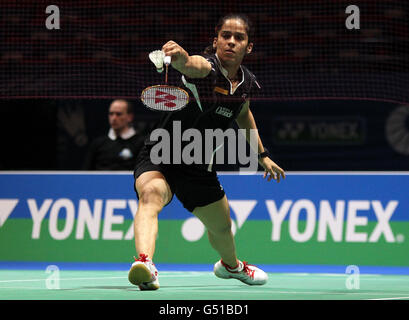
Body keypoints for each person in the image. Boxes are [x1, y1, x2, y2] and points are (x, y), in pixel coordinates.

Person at [128, 14, 285, 290]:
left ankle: (231, 266)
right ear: (215, 42)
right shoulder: (208, 68)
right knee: (150, 195)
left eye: (239, 38)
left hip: (199, 164)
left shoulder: (247, 83)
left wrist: (263, 156)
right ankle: (145, 265)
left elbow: (244, 114)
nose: (231, 42)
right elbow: (191, 65)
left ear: (248, 47)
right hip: (163, 151)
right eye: (225, 36)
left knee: (222, 228)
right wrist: (179, 56)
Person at [83, 99, 144, 170]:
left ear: (130, 117)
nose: (114, 118)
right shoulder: (98, 143)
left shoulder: (141, 144)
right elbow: (85, 172)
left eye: (118, 114)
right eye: (111, 114)